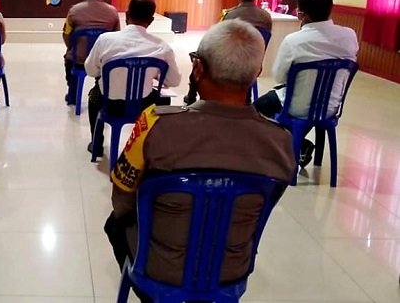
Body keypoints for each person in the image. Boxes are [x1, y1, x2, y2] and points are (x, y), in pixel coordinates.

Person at [105, 20, 295, 297]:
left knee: (114, 223)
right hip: (231, 269)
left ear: (198, 68)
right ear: (256, 74)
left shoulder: (156, 124)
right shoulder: (280, 142)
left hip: (161, 266)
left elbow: (121, 199)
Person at [254, 0, 359, 167]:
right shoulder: (349, 36)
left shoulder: (294, 41)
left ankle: (295, 145)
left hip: (298, 107)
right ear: (330, 8)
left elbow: (279, 77)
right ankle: (299, 145)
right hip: (330, 108)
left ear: (303, 14)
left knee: (255, 110)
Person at [84, 0, 181, 157]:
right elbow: (174, 81)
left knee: (94, 95)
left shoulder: (105, 40)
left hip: (110, 105)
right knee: (164, 99)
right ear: (151, 21)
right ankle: (151, 146)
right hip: (143, 106)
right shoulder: (162, 47)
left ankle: (97, 143)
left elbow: (90, 70)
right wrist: (153, 74)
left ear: (127, 15)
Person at [184, 0, 272, 105]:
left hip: (226, 60)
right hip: (252, 64)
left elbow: (219, 41)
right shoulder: (266, 18)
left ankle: (191, 96)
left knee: (198, 57)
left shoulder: (231, 15)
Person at [62, 0, 120, 104]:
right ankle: (100, 91)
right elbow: (117, 37)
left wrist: (71, 49)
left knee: (68, 58)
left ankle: (72, 94)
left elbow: (66, 35)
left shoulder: (74, 10)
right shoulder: (113, 12)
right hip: (104, 60)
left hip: (79, 60)